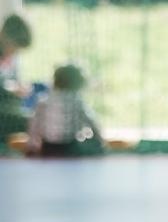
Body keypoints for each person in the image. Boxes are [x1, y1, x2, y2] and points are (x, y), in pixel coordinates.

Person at [27, 63, 103, 157]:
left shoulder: (44, 101)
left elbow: (34, 125)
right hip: (70, 146)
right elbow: (91, 122)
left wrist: (32, 145)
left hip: (48, 147)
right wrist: (99, 138)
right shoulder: (76, 101)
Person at [0, 13, 33, 141]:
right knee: (31, 122)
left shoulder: (10, 59)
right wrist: (8, 89)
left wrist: (19, 87)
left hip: (8, 108)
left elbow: (12, 80)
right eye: (13, 47)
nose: (14, 52)